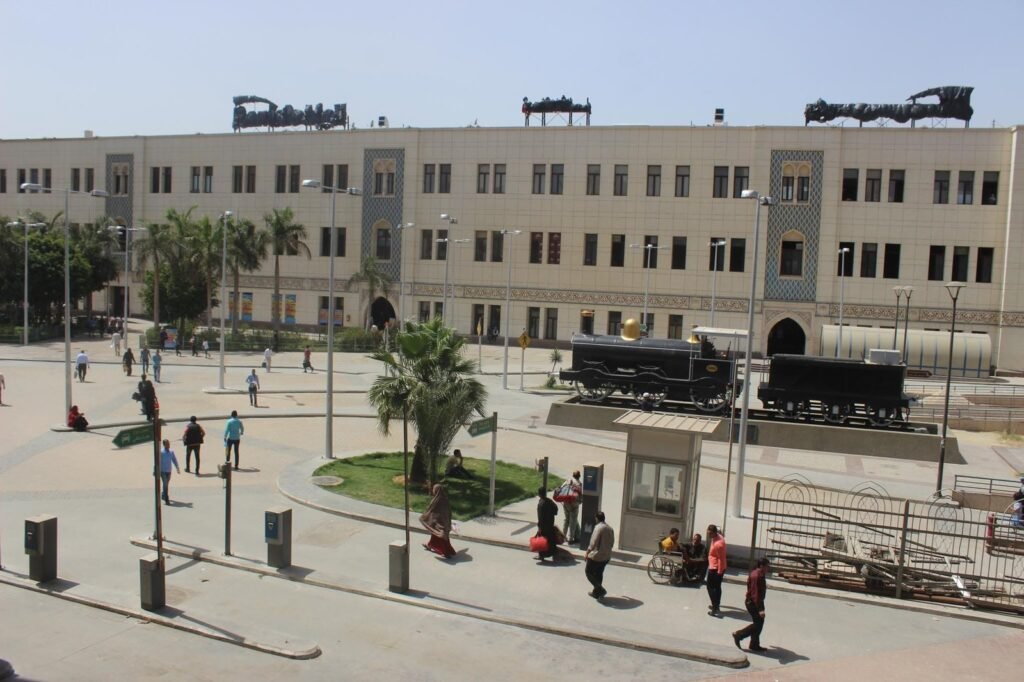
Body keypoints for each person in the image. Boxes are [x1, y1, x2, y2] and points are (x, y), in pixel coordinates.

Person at [733, 558, 770, 653]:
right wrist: (760, 609)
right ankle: (739, 635)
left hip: (756, 602)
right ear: (761, 566)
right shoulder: (756, 576)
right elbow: (755, 594)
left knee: (759, 623)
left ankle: (754, 644)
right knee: (758, 624)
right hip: (753, 603)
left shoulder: (760, 573)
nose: (768, 568)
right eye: (767, 566)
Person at [420, 484, 457, 558]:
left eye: (434, 489)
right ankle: (430, 545)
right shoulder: (445, 499)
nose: (433, 491)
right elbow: (448, 511)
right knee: (435, 535)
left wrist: (424, 517)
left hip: (439, 522)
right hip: (444, 521)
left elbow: (431, 509)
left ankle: (445, 553)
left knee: (440, 536)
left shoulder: (436, 500)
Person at [585, 511, 615, 599]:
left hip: (597, 556)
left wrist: (587, 552)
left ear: (597, 518)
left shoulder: (598, 527)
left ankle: (600, 589)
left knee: (588, 572)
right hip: (606, 556)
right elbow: (612, 543)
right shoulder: (610, 528)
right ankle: (597, 593)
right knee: (599, 573)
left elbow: (593, 542)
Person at [706, 524, 727, 616]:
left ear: (715, 533)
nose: (709, 535)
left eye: (710, 533)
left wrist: (719, 572)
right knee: (717, 587)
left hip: (716, 568)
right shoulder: (717, 537)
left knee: (710, 587)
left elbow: (721, 559)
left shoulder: (719, 544)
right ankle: (716, 605)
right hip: (715, 566)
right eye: (708, 533)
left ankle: (715, 607)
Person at [535, 487, 559, 561]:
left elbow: (540, 517)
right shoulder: (549, 501)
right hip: (550, 524)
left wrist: (539, 527)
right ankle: (554, 553)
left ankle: (541, 555)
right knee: (551, 539)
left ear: (539, 494)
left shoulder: (541, 503)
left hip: (543, 526)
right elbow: (556, 509)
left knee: (541, 541)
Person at [560, 471, 583, 544]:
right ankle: (571, 539)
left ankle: (563, 536)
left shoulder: (567, 481)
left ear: (573, 475)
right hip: (574, 505)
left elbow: (561, 489)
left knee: (566, 520)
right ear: (579, 476)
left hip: (565, 503)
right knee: (572, 521)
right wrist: (580, 502)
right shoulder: (578, 483)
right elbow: (580, 495)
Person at [159, 438, 181, 505]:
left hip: (169, 471)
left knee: (166, 484)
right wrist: (155, 470)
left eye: (169, 443)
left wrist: (177, 467)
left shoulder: (171, 451)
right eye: (167, 444)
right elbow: (157, 461)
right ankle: (167, 499)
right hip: (162, 471)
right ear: (164, 445)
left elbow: (174, 459)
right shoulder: (161, 452)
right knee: (165, 484)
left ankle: (163, 494)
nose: (168, 445)